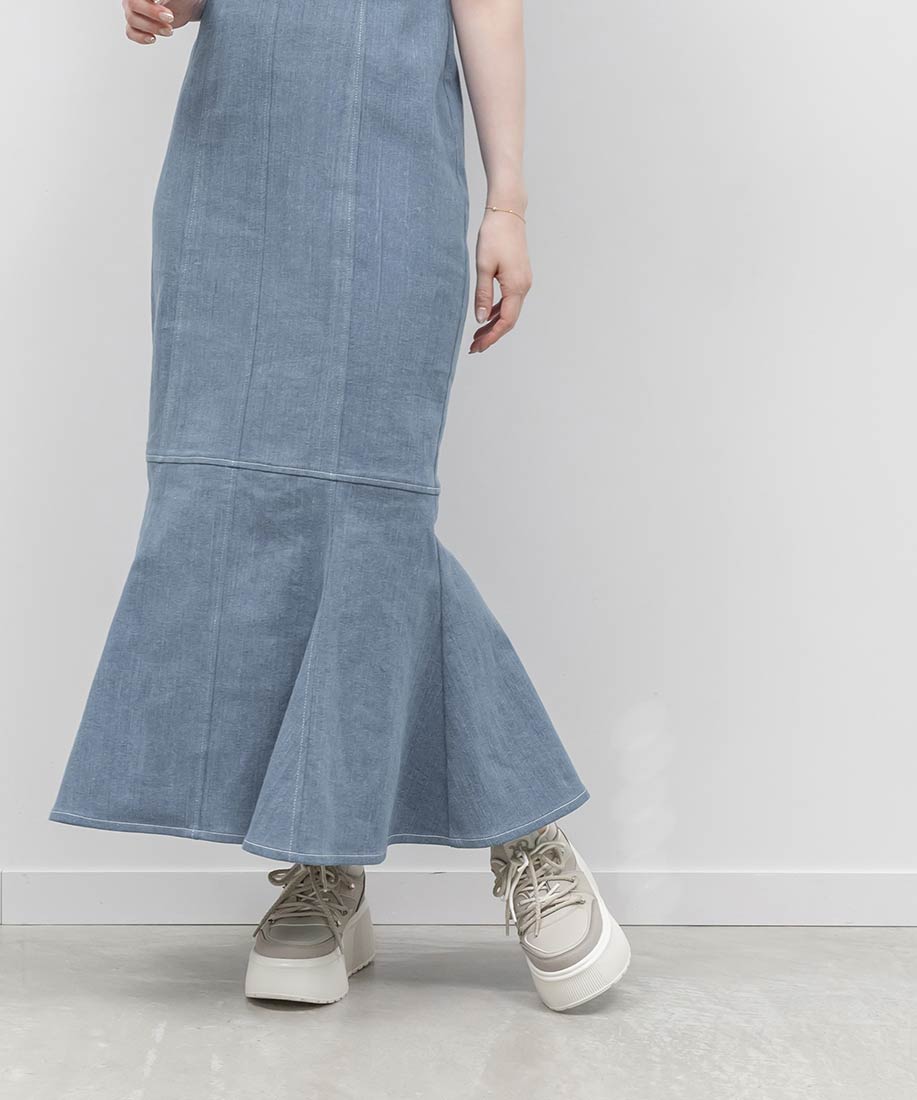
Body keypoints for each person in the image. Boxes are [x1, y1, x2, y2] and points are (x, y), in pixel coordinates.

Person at [50, 0, 630, 1011]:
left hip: (388, 179)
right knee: (225, 501)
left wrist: (506, 202)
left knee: (371, 515)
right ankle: (324, 859)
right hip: (229, 178)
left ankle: (524, 829)